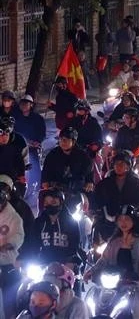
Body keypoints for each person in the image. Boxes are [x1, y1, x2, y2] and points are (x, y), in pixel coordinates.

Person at [84, 205, 139, 318]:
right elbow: (103, 260)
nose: (123, 222)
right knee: (91, 304)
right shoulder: (114, 241)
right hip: (113, 284)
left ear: (134, 221)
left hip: (134, 284)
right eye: (120, 219)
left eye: (127, 219)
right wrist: (91, 271)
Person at [21, 188, 80, 266]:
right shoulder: (39, 222)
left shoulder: (71, 223)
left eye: (53, 202)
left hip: (65, 265)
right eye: (46, 202)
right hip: (44, 265)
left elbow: (74, 246)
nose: (49, 205)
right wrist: (24, 258)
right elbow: (32, 243)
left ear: (61, 202)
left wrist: (71, 261)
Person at [93, 151, 139, 234]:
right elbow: (98, 200)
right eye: (116, 164)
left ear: (128, 166)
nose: (119, 166)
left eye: (122, 163)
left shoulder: (136, 183)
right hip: (109, 221)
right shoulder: (105, 183)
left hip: (129, 223)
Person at [41, 128, 93, 192]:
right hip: (57, 188)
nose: (62, 142)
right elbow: (46, 170)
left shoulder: (83, 156)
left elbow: (89, 171)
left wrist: (89, 181)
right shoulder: (53, 155)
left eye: (65, 140)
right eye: (60, 139)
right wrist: (45, 182)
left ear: (73, 142)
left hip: (76, 189)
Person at [0, 178, 24, 313]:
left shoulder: (14, 217)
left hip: (8, 264)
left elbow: (18, 235)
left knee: (9, 301)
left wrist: (9, 244)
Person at [13, 95, 46, 189]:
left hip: (33, 148)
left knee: (35, 167)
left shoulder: (38, 118)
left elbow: (42, 132)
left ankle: (38, 185)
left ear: (31, 105)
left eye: (26, 103)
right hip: (20, 147)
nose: (23, 106)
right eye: (22, 103)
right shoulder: (16, 118)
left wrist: (37, 141)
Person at [0, 117, 27, 186]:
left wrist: (21, 175)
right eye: (2, 135)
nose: (4, 138)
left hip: (10, 181)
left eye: (7, 135)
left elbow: (20, 162)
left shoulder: (15, 147)